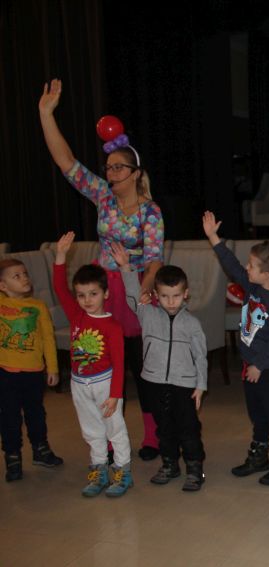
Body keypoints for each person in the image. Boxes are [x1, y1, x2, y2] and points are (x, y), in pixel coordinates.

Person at [39, 78, 164, 461]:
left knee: (141, 367)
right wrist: (46, 114)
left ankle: (153, 436)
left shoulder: (150, 212)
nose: (110, 173)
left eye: (118, 168)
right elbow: (67, 163)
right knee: (103, 365)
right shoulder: (103, 198)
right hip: (103, 287)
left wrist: (143, 292)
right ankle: (109, 439)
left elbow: (155, 258)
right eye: (108, 168)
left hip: (134, 287)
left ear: (135, 172)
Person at [203, 212, 269, 486]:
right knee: (257, 415)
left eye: (252, 266)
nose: (247, 268)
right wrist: (213, 237)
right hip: (250, 366)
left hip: (268, 370)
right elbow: (232, 265)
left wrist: (259, 365)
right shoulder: (252, 286)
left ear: (267, 274)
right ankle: (259, 457)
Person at [112, 244, 208, 492]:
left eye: (176, 295)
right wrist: (125, 267)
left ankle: (195, 468)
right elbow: (132, 295)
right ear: (155, 294)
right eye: (165, 296)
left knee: (188, 428)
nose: (171, 301)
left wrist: (200, 385)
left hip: (184, 384)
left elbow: (200, 356)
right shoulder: (148, 315)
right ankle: (169, 464)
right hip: (154, 382)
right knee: (163, 428)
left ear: (185, 294)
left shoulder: (192, 324)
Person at [52, 232, 132, 497]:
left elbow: (119, 363)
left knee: (114, 430)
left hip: (105, 385)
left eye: (93, 294)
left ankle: (122, 472)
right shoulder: (77, 315)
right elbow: (59, 288)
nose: (87, 300)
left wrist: (115, 394)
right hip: (80, 385)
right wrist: (60, 256)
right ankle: (99, 471)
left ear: (105, 293)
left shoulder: (112, 326)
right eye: (81, 295)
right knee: (92, 431)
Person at [0, 259, 63, 482]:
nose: (24, 278)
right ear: (3, 285)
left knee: (36, 413)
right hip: (5, 373)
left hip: (34, 372)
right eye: (16, 276)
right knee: (9, 416)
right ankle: (12, 456)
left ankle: (40, 449)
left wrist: (53, 368)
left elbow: (48, 339)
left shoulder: (38, 306)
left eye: (25, 273)